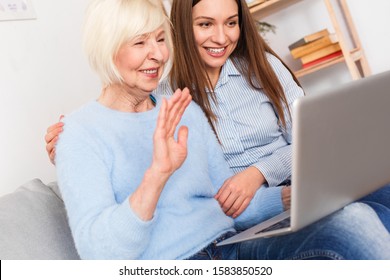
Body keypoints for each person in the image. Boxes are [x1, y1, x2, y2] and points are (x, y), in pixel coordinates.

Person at [50, 0, 390, 260]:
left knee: (355, 216)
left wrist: (288, 198)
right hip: (189, 259)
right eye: (140, 43)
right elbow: (101, 253)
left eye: (159, 39)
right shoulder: (81, 133)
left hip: (231, 245)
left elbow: (224, 202)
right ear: (107, 48)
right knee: (353, 221)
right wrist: (157, 174)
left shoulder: (183, 110)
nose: (157, 55)